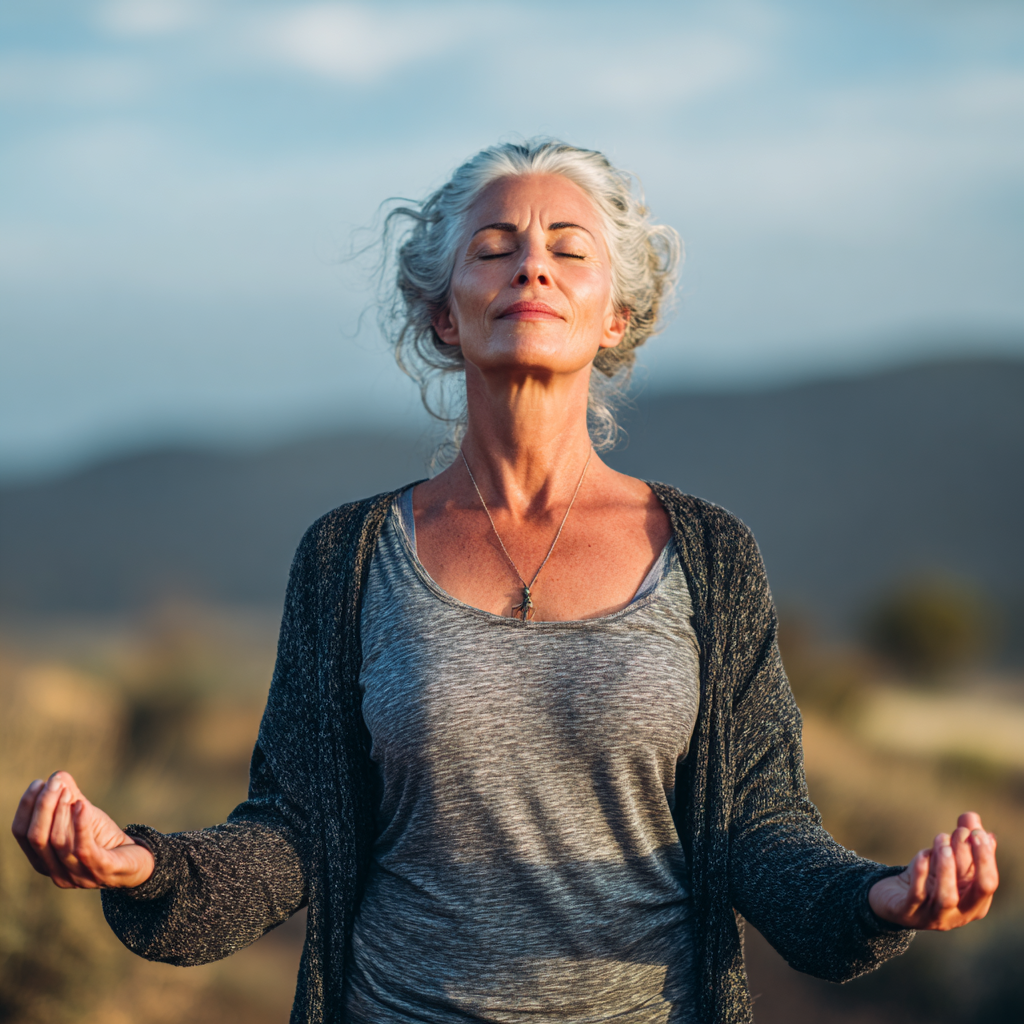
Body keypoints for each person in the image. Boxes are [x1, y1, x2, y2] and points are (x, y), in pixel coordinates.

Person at [11, 140, 999, 1024]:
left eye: (569, 249)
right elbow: (293, 831)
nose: (531, 264)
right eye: (494, 248)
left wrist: (877, 898)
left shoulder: (709, 553)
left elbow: (757, 830)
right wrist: (143, 866)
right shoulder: (348, 555)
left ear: (616, 316)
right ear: (443, 314)